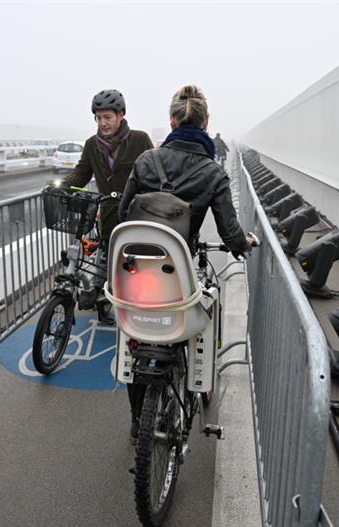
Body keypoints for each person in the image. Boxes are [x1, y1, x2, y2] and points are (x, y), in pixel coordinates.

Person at [118, 85, 256, 439]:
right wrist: (245, 244)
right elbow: (230, 234)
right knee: (197, 315)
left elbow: (123, 215)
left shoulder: (147, 160)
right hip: (179, 272)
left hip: (135, 273)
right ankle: (194, 383)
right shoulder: (212, 172)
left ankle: (137, 420)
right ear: (206, 123)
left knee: (136, 335)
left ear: (172, 121)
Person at [62, 89, 154, 320]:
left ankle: (135, 307)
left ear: (121, 115)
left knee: (134, 267)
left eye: (108, 117)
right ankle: (105, 299)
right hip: (109, 216)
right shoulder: (92, 145)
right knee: (108, 259)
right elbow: (80, 174)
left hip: (136, 216)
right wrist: (62, 186)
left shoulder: (140, 140)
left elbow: (154, 174)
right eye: (99, 118)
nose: (103, 123)